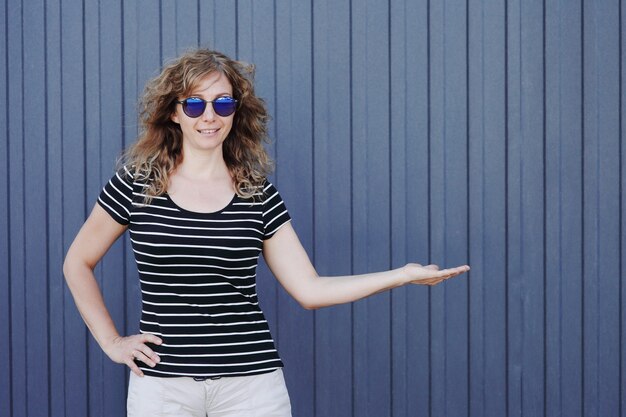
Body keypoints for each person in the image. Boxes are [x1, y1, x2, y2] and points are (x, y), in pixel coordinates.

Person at [63, 48, 470, 417]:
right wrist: (111, 342)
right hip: (162, 389)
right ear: (174, 112)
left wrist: (401, 275)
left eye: (222, 103)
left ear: (235, 111)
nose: (209, 116)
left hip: (252, 388)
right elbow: (77, 263)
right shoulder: (136, 184)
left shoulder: (256, 193)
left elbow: (309, 290)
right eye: (194, 104)